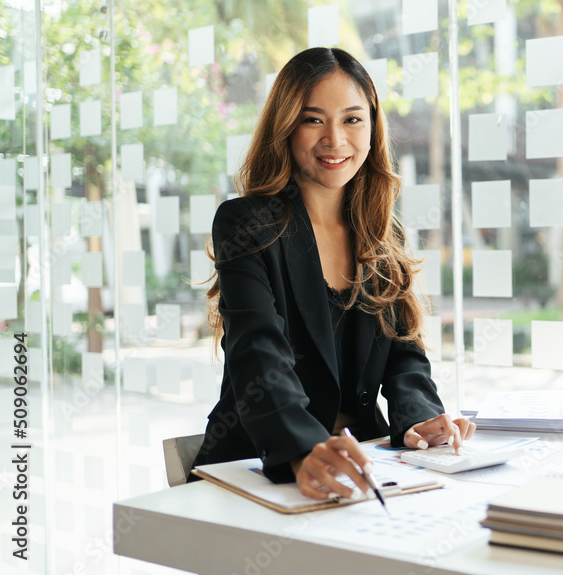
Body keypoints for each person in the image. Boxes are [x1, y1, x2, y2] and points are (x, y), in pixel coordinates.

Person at [190, 47, 474, 501]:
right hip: (260, 468)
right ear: (286, 126)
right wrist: (304, 448)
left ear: (372, 127)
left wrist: (419, 417)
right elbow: (258, 352)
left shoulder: (381, 234)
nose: (335, 140)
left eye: (352, 119)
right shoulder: (246, 224)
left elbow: (403, 354)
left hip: (369, 462)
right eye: (313, 119)